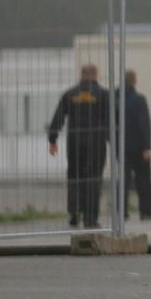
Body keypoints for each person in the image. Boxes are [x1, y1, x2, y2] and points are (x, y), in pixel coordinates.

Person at [47, 62, 111, 228]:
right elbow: (112, 120)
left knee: (75, 176)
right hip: (96, 141)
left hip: (74, 142)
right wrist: (113, 141)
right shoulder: (104, 95)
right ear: (96, 75)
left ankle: (74, 212)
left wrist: (52, 140)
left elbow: (58, 117)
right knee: (93, 178)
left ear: (81, 75)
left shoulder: (70, 94)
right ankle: (90, 218)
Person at [123, 69, 151, 222]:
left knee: (123, 180)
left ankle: (121, 212)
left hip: (121, 147)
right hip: (138, 147)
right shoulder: (139, 100)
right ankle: (145, 212)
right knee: (143, 180)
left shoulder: (115, 99)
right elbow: (144, 124)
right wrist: (147, 147)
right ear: (135, 81)